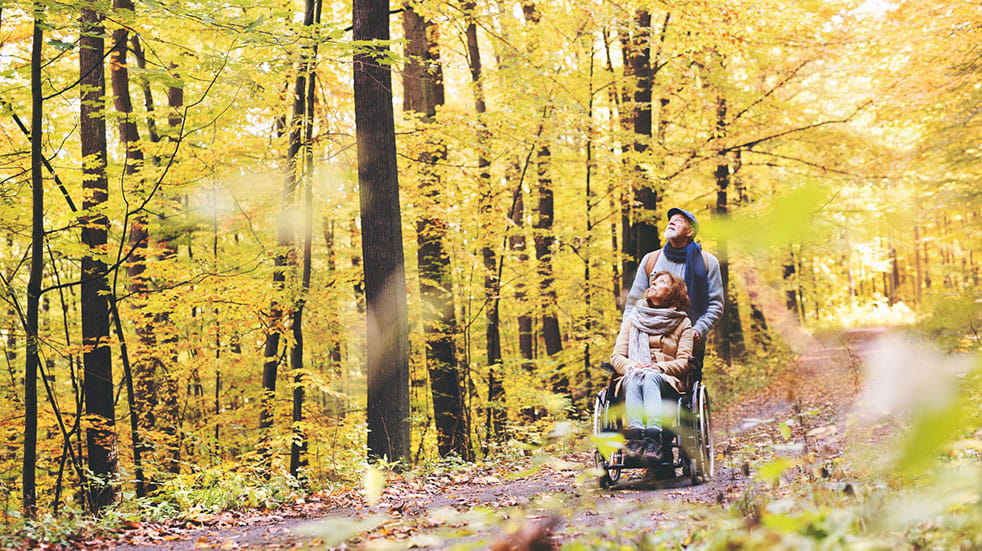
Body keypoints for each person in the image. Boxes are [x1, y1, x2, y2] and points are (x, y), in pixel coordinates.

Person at [622, 207, 724, 373]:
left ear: (690, 231)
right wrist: (626, 333)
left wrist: (698, 329)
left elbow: (715, 304)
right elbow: (634, 301)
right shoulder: (651, 260)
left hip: (687, 339)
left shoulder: (707, 262)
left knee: (683, 390)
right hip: (647, 338)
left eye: (679, 221)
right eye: (671, 220)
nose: (671, 222)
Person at [610, 271, 694, 461]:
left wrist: (660, 368)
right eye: (653, 282)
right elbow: (617, 357)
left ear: (673, 291)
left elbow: (684, 361)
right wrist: (631, 365)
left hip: (666, 380)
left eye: (661, 282)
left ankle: (653, 440)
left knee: (649, 376)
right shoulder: (633, 319)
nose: (653, 284)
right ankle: (636, 439)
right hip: (633, 376)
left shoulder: (682, 322)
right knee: (636, 375)